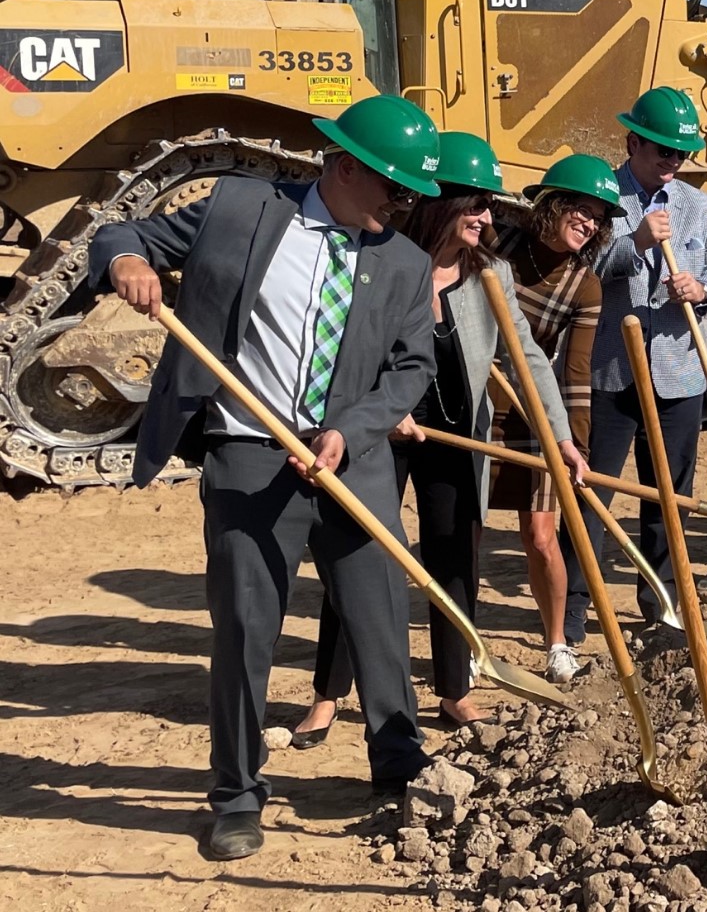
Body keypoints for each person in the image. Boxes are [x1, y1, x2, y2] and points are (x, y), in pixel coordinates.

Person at [88, 94, 444, 860]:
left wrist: (352, 430)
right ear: (344, 166)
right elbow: (125, 233)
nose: (404, 205)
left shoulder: (406, 264)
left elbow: (412, 368)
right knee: (246, 628)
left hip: (353, 461)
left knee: (381, 619)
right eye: (396, 188)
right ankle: (237, 794)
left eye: (412, 194)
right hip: (249, 456)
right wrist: (127, 262)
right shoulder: (240, 209)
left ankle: (399, 767)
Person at [295, 133, 587, 737]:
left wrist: (560, 437)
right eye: (476, 205)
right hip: (379, 429)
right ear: (441, 203)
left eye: (489, 206)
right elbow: (348, 346)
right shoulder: (382, 258)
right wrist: (382, 407)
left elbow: (527, 359)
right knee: (360, 553)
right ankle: (329, 692)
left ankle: (455, 690)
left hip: (457, 433)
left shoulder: (491, 275)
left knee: (455, 558)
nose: (487, 218)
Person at [566, 86, 707, 631]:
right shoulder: (601, 197)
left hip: (679, 374)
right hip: (612, 372)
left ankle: (661, 604)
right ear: (633, 142)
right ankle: (573, 609)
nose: (672, 161)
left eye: (680, 153)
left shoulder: (700, 206)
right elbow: (583, 268)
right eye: (664, 150)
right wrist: (635, 241)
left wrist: (702, 290)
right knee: (592, 493)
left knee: (670, 498)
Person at [486, 156, 616, 680]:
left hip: (532, 407)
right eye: (581, 210)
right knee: (466, 530)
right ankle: (463, 643)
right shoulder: (498, 241)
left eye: (598, 218)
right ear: (553, 204)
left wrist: (574, 446)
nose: (589, 223)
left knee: (541, 536)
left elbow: (575, 372)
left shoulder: (585, 285)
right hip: (473, 400)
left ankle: (558, 642)